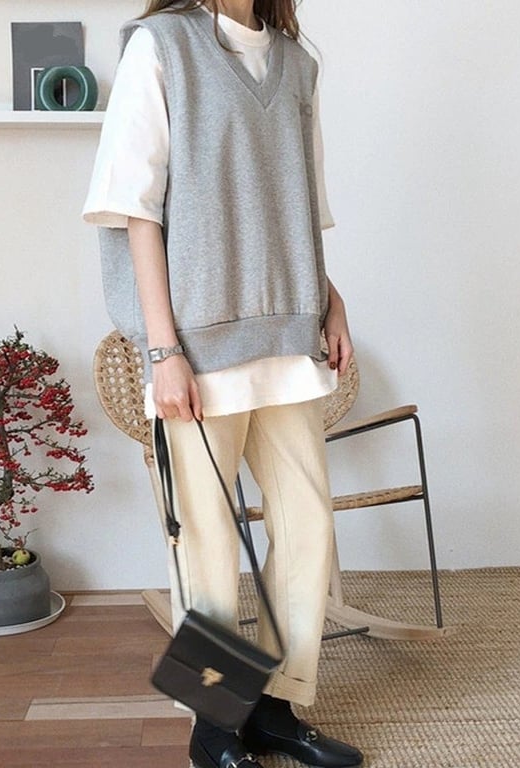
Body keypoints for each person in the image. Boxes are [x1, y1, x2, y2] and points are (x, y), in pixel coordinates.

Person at [83, 2, 362, 767]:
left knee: (307, 526)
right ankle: (213, 728)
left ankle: (272, 707)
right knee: (205, 546)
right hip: (197, 354)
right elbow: (134, 209)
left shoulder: (298, 65)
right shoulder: (162, 46)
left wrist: (331, 300)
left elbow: (296, 208)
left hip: (287, 338)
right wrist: (162, 350)